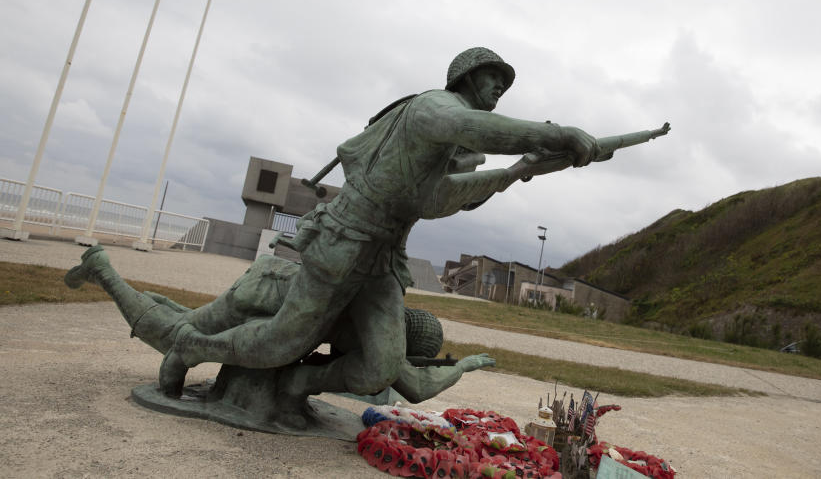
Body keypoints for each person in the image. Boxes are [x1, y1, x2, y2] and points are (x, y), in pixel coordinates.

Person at [153, 47, 602, 398]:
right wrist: (557, 134)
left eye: (505, 82)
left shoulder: (453, 140)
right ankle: (193, 347)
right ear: (467, 77)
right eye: (493, 77)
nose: (500, 86)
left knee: (381, 368)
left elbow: (450, 198)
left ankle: (300, 387)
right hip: (344, 242)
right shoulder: (434, 109)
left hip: (384, 260)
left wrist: (521, 167)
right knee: (280, 343)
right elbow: (485, 133)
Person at [64, 244, 495, 403]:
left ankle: (121, 281)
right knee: (174, 335)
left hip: (271, 280)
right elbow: (417, 389)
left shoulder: (379, 310)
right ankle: (102, 269)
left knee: (187, 322)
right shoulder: (379, 337)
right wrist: (465, 365)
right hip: (269, 298)